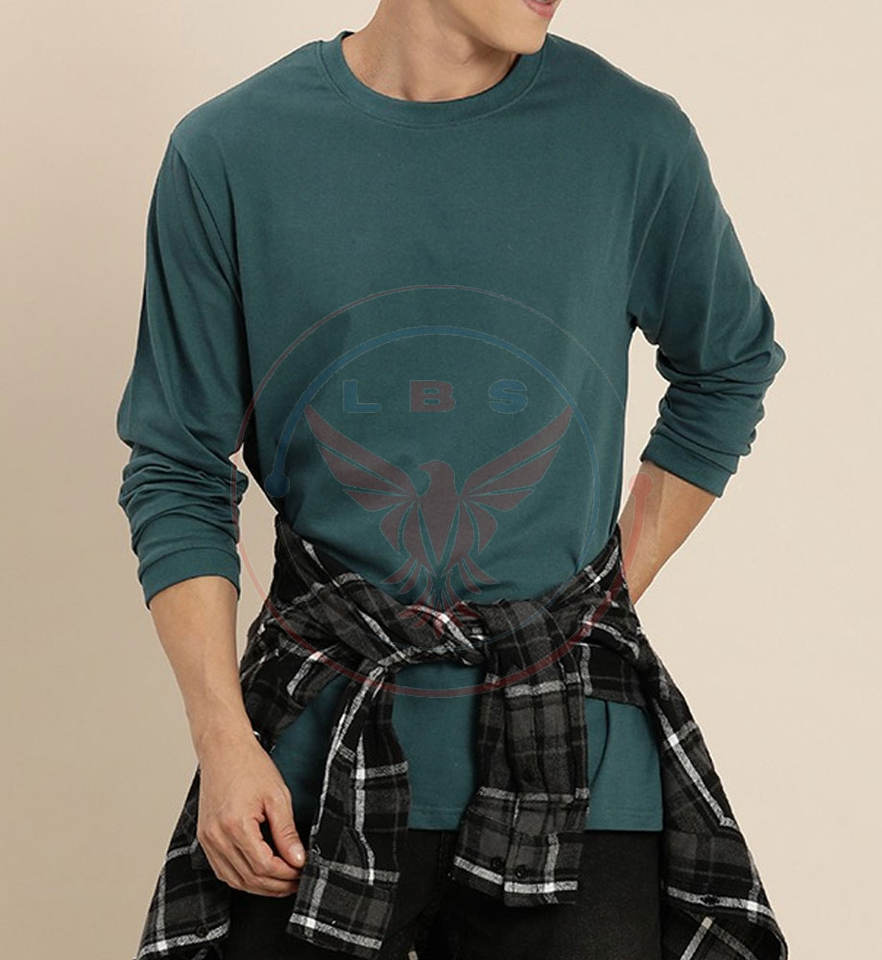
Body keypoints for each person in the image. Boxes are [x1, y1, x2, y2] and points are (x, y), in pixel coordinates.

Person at [115, 1, 786, 957]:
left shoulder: (632, 138)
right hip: (311, 768)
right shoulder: (229, 150)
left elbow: (729, 365)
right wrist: (223, 739)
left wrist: (600, 599)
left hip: (578, 771)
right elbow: (178, 462)